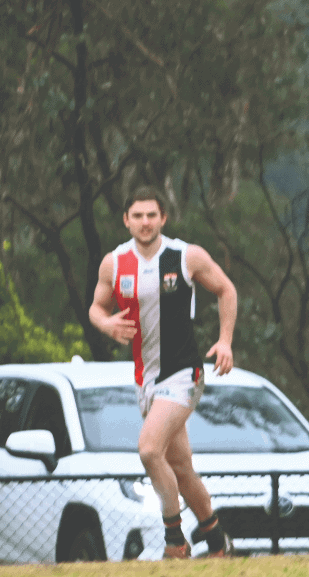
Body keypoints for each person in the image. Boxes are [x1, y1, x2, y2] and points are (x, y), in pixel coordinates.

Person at [89, 187, 239, 558]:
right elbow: (95, 307)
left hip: (184, 372)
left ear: (163, 218)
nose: (145, 222)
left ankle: (175, 541)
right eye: (137, 215)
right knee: (180, 467)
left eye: (151, 215)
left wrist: (225, 341)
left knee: (149, 449)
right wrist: (107, 325)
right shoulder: (114, 262)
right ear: (126, 220)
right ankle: (218, 541)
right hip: (146, 379)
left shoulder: (186, 256)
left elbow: (226, 289)